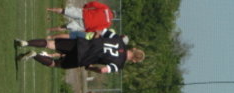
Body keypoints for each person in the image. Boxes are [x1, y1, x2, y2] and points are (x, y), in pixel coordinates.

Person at [14, 35, 144, 74]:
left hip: (82, 44)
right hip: (84, 58)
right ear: (134, 60)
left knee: (51, 44)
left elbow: (100, 32)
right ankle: (34, 55)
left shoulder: (119, 40)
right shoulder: (119, 65)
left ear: (134, 49)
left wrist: (93, 41)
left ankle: (26, 43)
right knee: (56, 64)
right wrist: (91, 68)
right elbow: (103, 70)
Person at [47, 2, 114, 33]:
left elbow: (94, 4)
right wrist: (87, 30)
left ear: (111, 11)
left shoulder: (106, 8)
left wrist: (86, 6)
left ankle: (48, 9)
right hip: (85, 25)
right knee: (65, 27)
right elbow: (97, 28)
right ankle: (48, 30)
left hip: (84, 14)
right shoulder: (108, 23)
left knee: (64, 11)